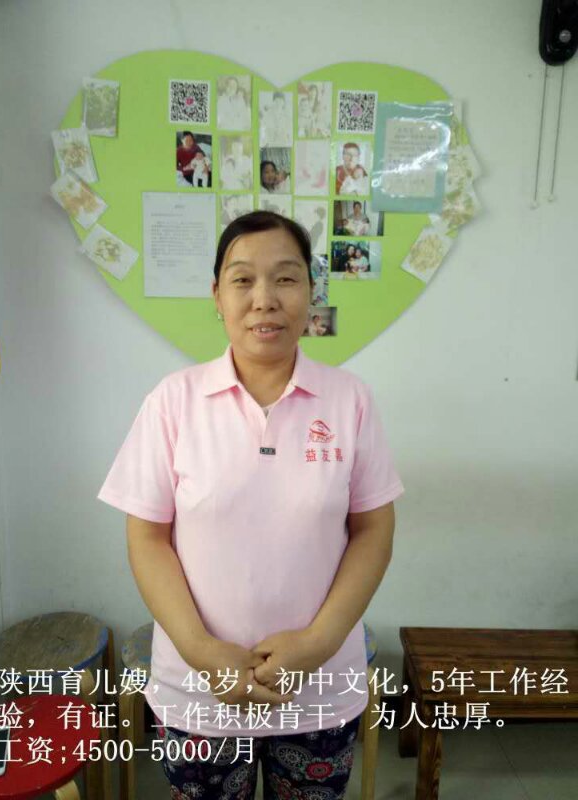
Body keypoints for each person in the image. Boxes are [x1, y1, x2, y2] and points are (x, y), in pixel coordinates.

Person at [97, 210, 404, 799]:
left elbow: (373, 532)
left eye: (286, 278)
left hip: (317, 690)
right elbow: (147, 538)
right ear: (217, 295)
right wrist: (201, 651)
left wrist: (315, 645)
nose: (264, 299)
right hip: (199, 692)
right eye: (243, 280)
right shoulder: (173, 402)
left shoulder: (350, 401)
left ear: (311, 292)